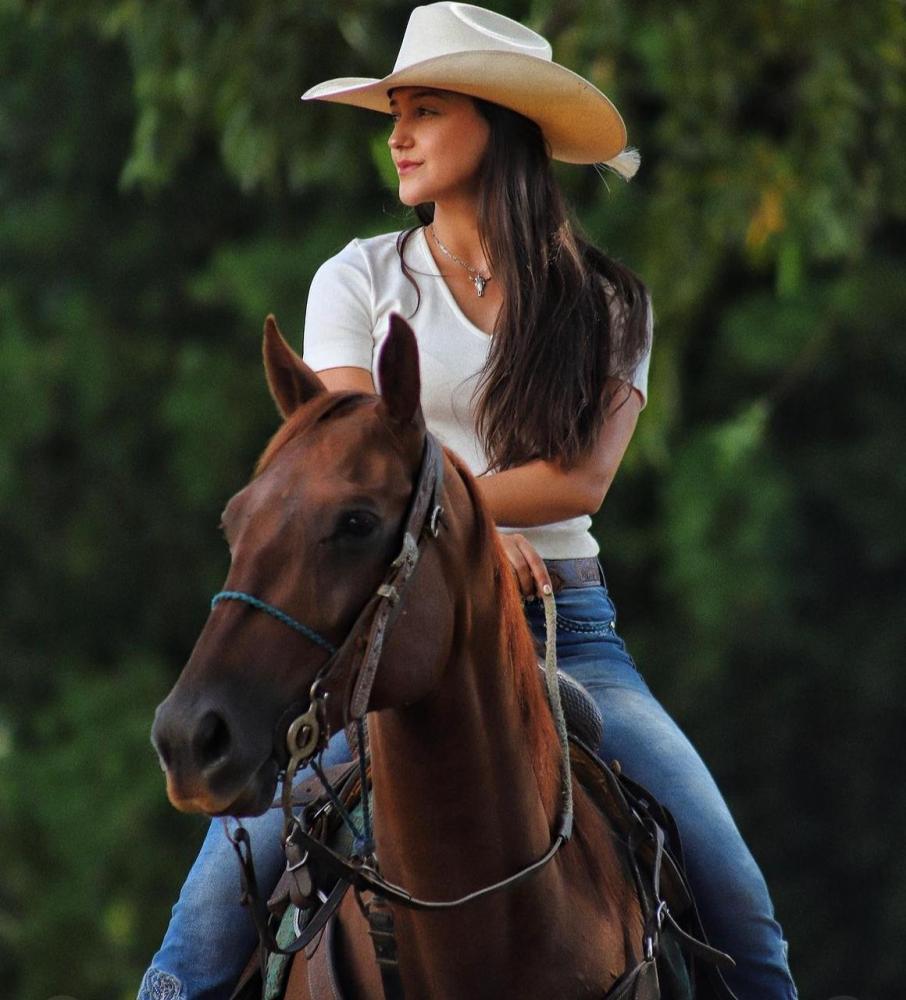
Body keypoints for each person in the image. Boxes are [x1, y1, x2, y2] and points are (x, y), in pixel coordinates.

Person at [138, 5, 798, 999]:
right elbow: (348, 464)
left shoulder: (612, 302)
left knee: (745, 925)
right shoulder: (358, 278)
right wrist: (469, 537)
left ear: (497, 124)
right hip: (380, 636)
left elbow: (580, 481)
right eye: (394, 112)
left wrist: (471, 527)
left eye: (426, 111)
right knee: (194, 947)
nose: (397, 134)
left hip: (569, 625)